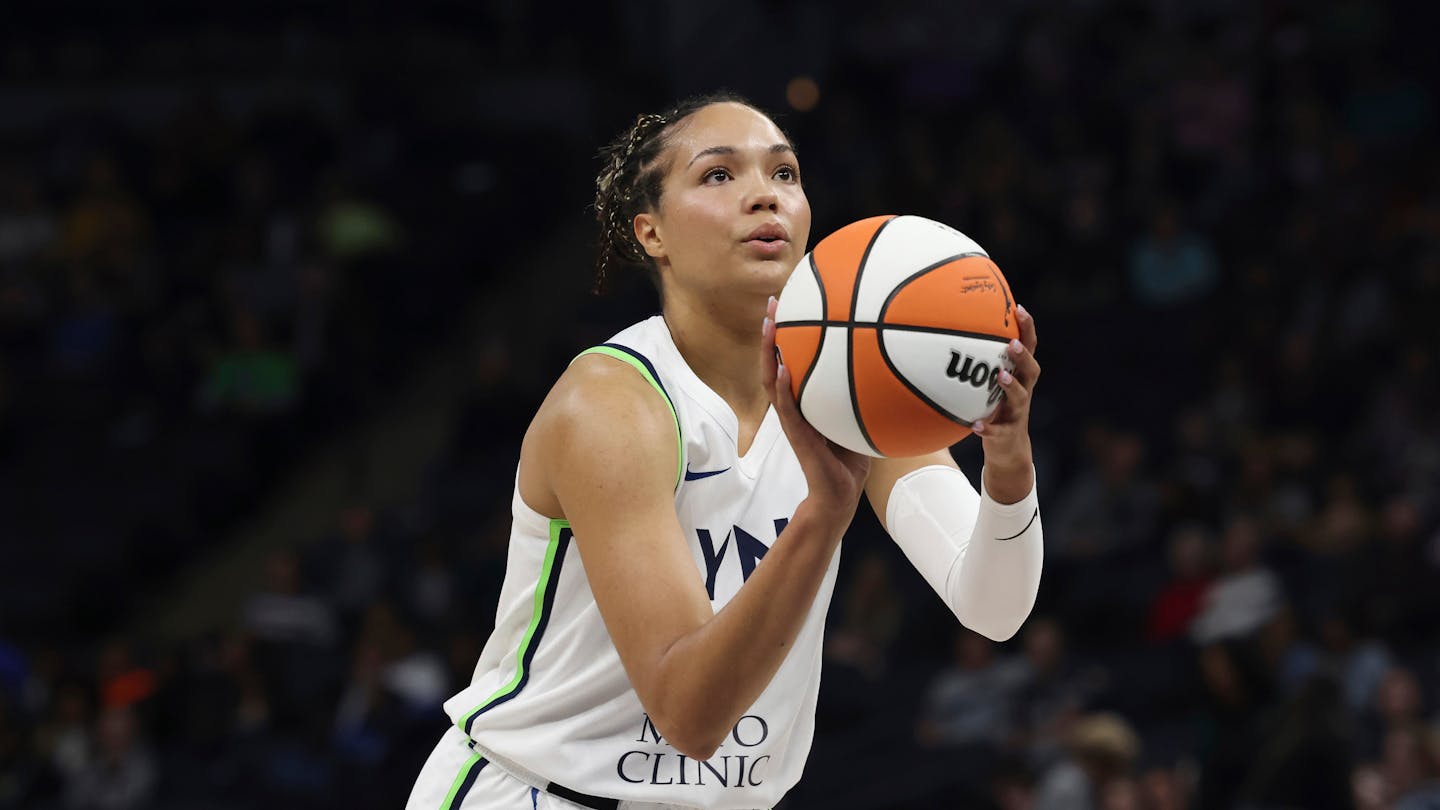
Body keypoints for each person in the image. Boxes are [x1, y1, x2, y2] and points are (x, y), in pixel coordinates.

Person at [407, 93, 1045, 810]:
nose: (763, 197)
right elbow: (689, 715)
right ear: (652, 234)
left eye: (785, 174)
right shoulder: (612, 406)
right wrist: (823, 516)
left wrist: (1008, 464)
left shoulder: (852, 384)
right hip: (539, 795)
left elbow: (994, 607)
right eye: (719, 176)